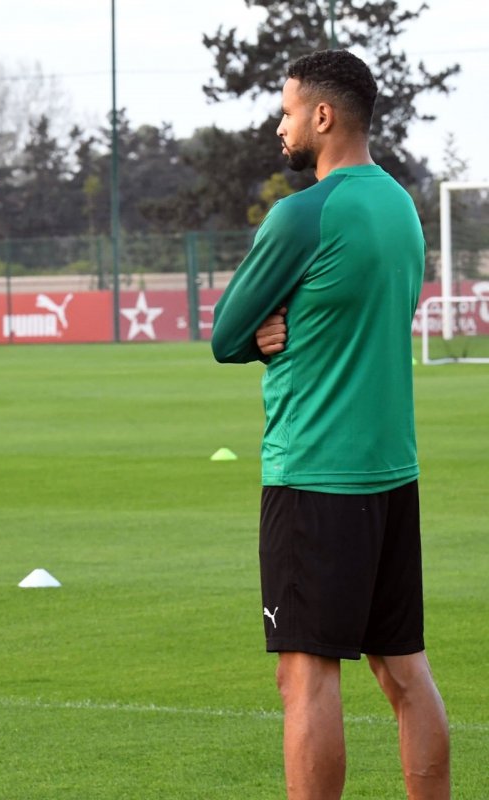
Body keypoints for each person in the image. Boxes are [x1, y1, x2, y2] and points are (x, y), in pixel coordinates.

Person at [211, 51, 450, 799]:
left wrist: (262, 333)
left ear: (322, 116)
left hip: (314, 472)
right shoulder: (400, 207)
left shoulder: (302, 213)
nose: (279, 126)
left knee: (305, 676)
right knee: (403, 668)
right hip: (391, 473)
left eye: (286, 112)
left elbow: (224, 335)